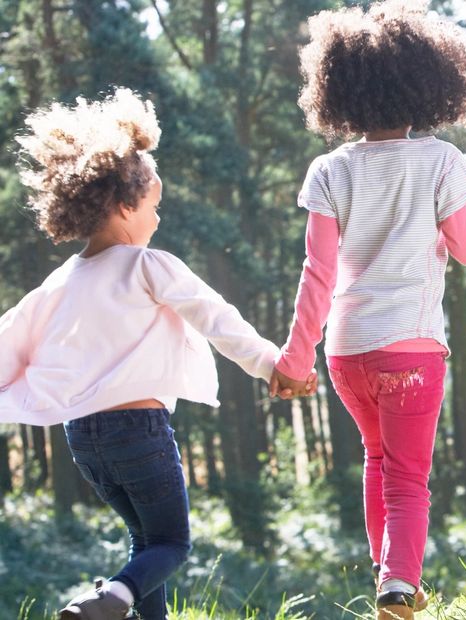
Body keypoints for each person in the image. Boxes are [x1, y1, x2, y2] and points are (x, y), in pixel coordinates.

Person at [0, 88, 308, 620]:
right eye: (153, 207)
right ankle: (108, 599)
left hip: (84, 440)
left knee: (144, 544)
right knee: (171, 544)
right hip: (138, 430)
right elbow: (217, 317)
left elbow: (8, 343)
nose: (158, 219)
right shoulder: (148, 265)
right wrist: (271, 365)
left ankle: (124, 603)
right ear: (124, 207)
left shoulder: (56, 284)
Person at [271, 2, 466, 617]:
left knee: (378, 460)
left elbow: (318, 273)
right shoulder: (442, 160)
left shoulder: (329, 170)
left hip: (347, 352)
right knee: (408, 475)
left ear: (339, 92)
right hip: (411, 347)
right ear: (429, 83)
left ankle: (392, 578)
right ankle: (399, 586)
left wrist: (294, 356)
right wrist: (437, 228)